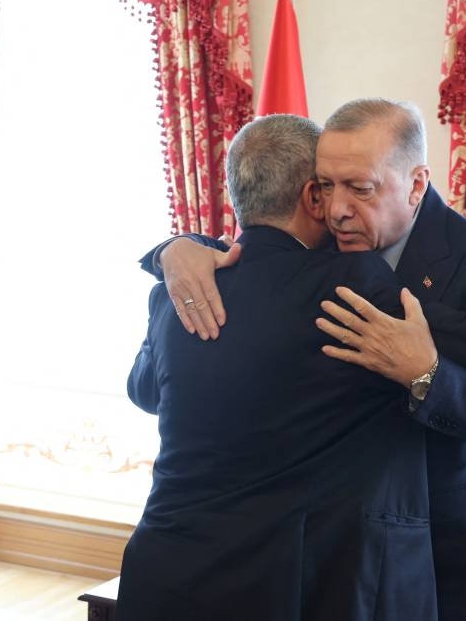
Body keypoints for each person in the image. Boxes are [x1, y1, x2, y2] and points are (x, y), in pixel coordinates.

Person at [146, 99, 466, 619]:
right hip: (330, 571)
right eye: (325, 186)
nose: (336, 208)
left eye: (359, 188)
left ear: (415, 184)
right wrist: (172, 248)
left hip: (454, 556)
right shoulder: (321, 242)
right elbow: (255, 250)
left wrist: (427, 376)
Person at [118, 114, 439, 620]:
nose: (340, 205)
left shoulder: (176, 293)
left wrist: (174, 249)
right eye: (330, 187)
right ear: (313, 197)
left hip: (162, 573)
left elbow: (144, 391)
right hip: (276, 585)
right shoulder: (352, 284)